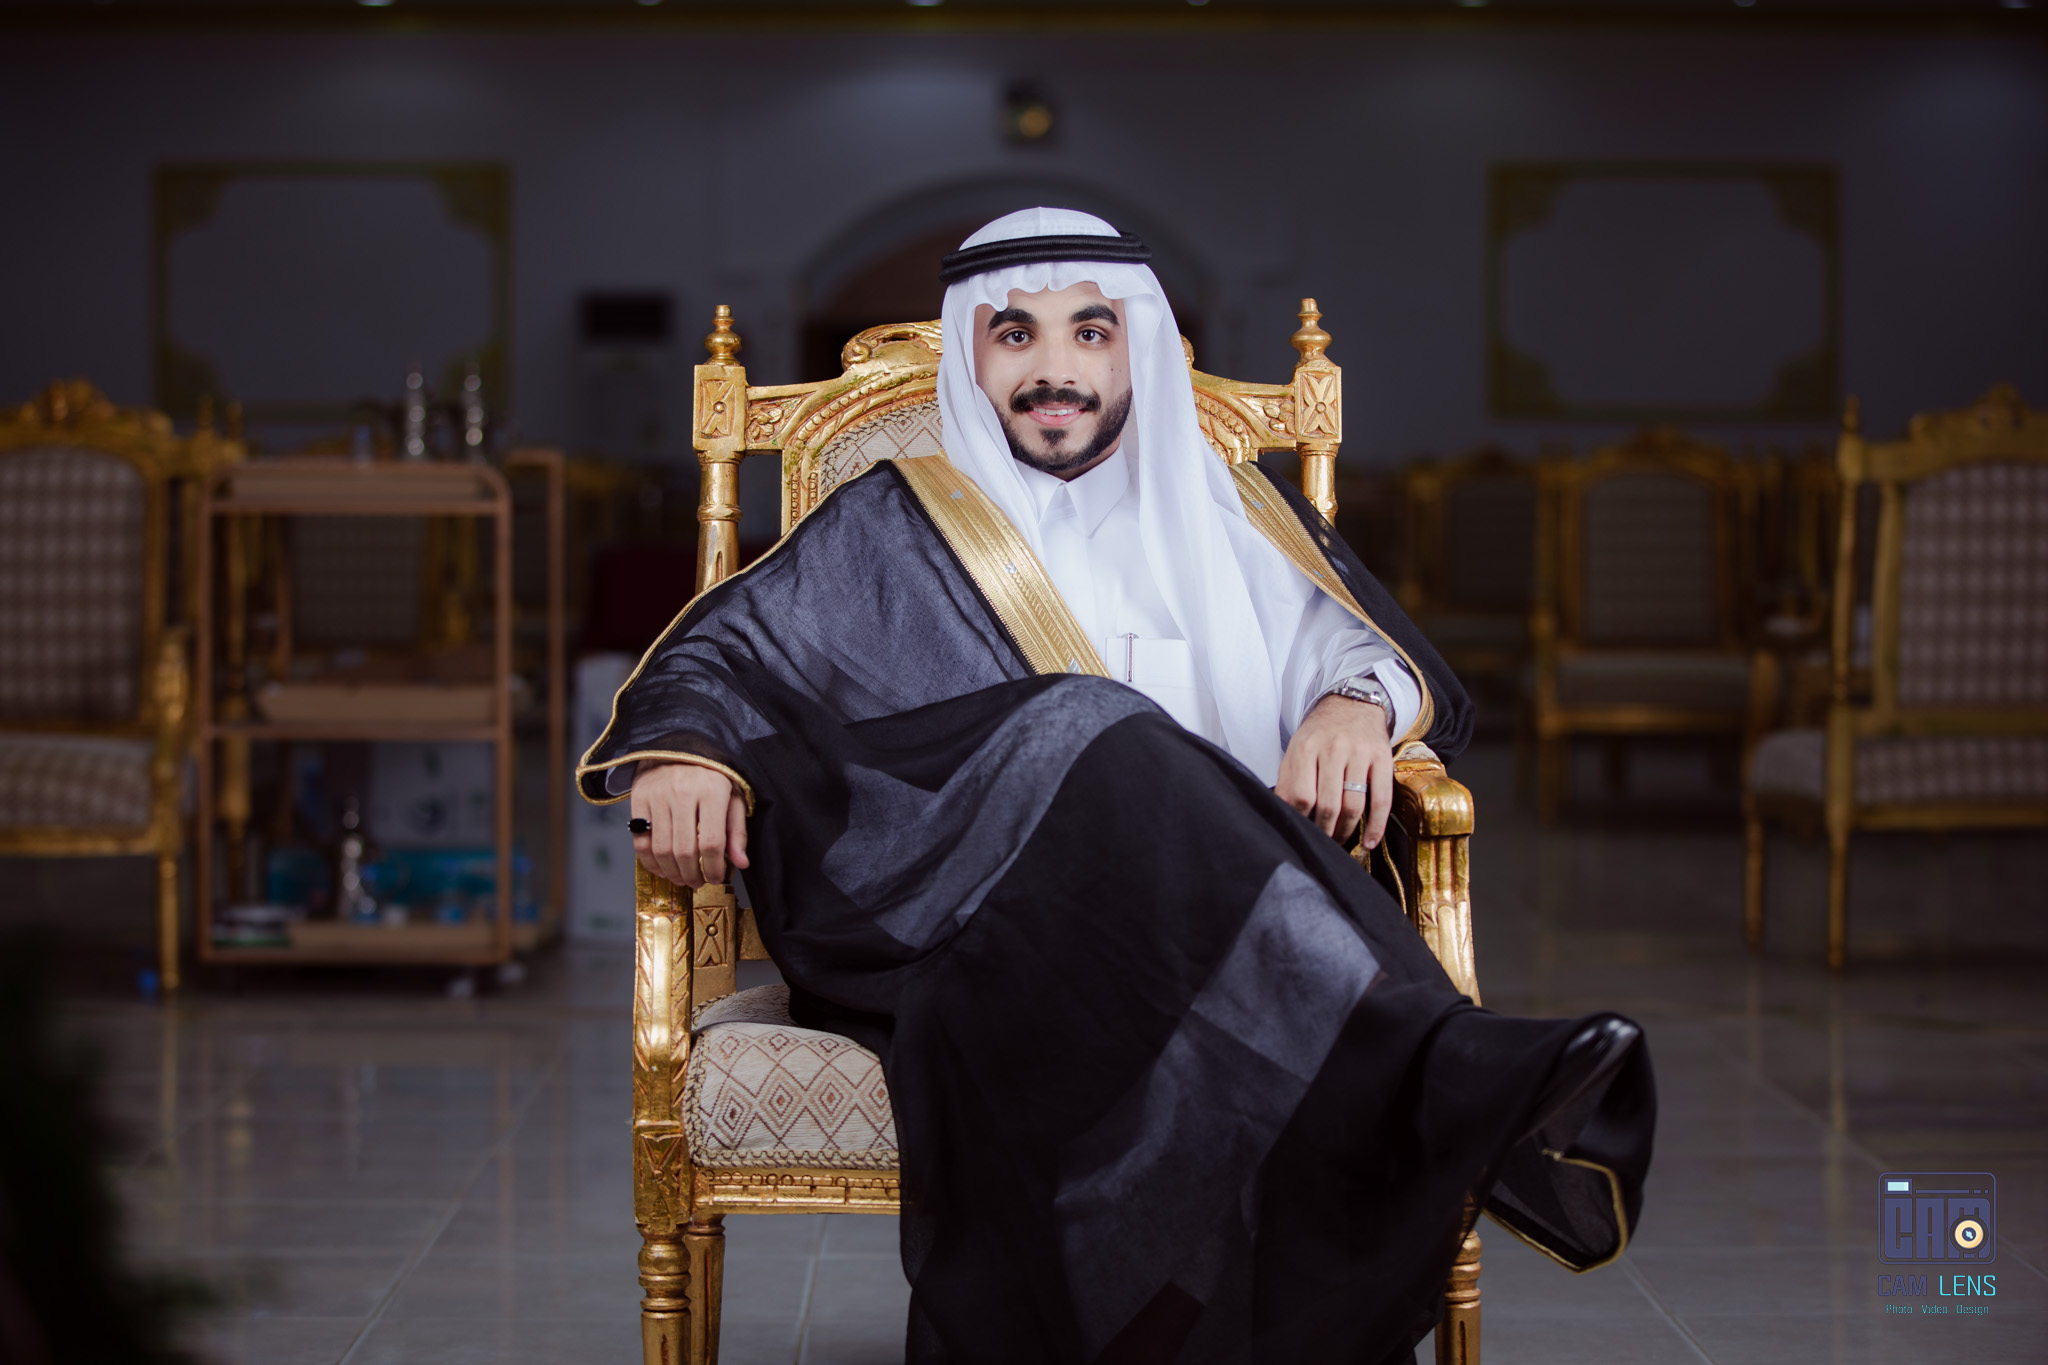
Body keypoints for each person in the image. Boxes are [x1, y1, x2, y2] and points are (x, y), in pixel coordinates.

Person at [579, 208, 1654, 1365]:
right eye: (1015, 335)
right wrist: (685, 749)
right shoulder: (891, 521)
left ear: (1133, 346)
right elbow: (712, 659)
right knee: (1090, 718)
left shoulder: (1229, 516)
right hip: (946, 929)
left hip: (1183, 949)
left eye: (1089, 333)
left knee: (1118, 757)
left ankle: (1409, 1082)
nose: (1054, 368)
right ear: (970, 352)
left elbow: (1368, 654)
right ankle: (1442, 1061)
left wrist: (1353, 704)